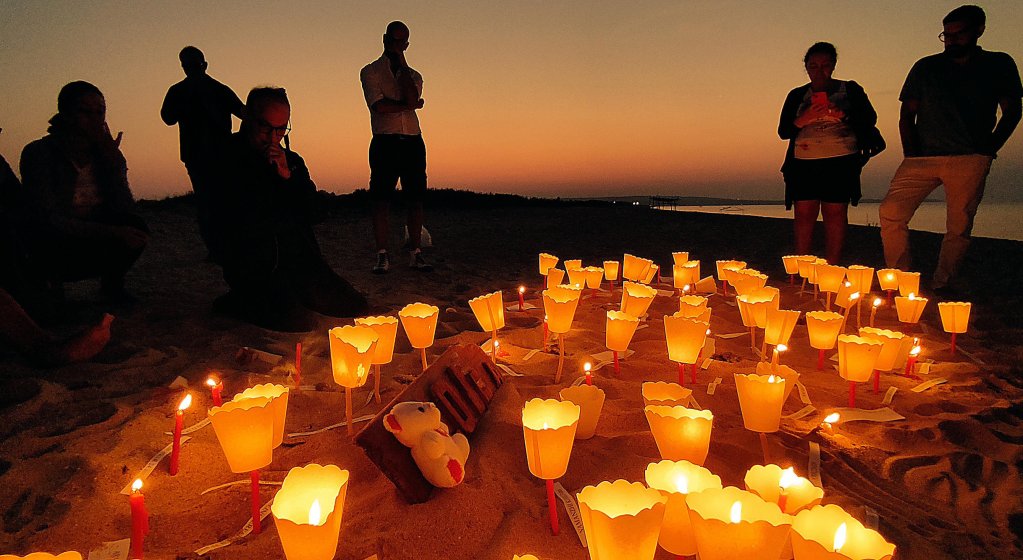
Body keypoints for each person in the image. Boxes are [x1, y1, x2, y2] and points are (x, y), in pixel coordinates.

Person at [879, 5, 1022, 295]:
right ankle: (898, 277)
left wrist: (989, 148)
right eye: (947, 35)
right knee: (891, 211)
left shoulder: (998, 64)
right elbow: (907, 112)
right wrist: (911, 152)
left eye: (959, 34)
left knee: (959, 223)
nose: (952, 40)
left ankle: (944, 281)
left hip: (969, 157)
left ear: (979, 30)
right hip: (922, 157)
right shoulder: (926, 67)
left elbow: (1012, 110)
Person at [209, 87, 368, 332]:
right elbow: (231, 220)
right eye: (266, 127)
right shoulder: (224, 157)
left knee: (355, 306)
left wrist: (286, 177)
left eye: (281, 129)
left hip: (300, 262)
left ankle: (294, 293)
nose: (274, 138)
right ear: (248, 118)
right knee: (296, 320)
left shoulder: (292, 161)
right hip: (256, 264)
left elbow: (314, 212)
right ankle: (237, 300)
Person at [20, 81, 149, 303]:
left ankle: (112, 286)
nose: (95, 119)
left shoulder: (107, 155)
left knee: (136, 226)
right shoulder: (40, 153)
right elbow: (46, 217)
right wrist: (110, 232)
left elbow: (125, 207)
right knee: (41, 237)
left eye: (100, 112)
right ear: (66, 114)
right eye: (85, 112)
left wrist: (112, 161)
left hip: (96, 230)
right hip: (58, 239)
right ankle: (51, 287)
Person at [778, 42, 883, 265]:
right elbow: (783, 131)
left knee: (835, 214)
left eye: (825, 65)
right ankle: (801, 268)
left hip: (841, 162)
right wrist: (803, 119)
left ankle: (832, 267)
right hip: (803, 163)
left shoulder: (850, 90)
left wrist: (842, 115)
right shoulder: (797, 95)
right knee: (804, 215)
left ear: (833, 65)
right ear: (806, 67)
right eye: (813, 65)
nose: (819, 70)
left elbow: (869, 120)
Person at [360, 20, 433, 274]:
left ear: (406, 45)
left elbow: (410, 97)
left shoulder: (414, 75)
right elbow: (379, 106)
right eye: (393, 40)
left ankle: (415, 253)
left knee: (415, 199)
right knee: (381, 200)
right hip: (385, 141)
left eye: (401, 42)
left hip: (413, 140)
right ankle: (382, 254)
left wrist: (402, 71)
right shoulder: (370, 72)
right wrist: (409, 105)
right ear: (385, 39)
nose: (396, 46)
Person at [161, 46, 245, 260]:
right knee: (211, 202)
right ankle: (217, 248)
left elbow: (243, 112)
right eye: (187, 65)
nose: (190, 69)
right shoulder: (183, 91)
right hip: (200, 155)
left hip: (219, 154)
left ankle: (224, 246)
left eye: (193, 65)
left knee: (220, 201)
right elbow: (168, 117)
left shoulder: (216, 89)